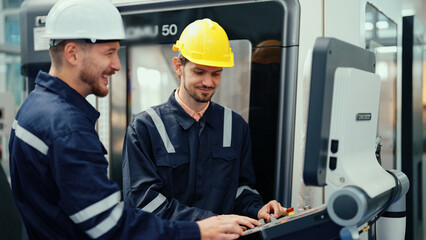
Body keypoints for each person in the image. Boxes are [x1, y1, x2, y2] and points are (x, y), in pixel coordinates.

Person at [8, 1, 259, 239]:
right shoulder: (67, 128)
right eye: (109, 52)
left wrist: (254, 208)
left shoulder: (34, 108)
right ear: (72, 54)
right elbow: (111, 226)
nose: (117, 65)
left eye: (216, 73)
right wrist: (199, 230)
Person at [122, 18, 287, 222]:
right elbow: (143, 203)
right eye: (199, 72)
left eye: (216, 74)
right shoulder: (144, 128)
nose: (208, 82)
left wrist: (257, 208)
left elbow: (240, 189)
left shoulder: (235, 126)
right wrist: (207, 224)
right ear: (178, 66)